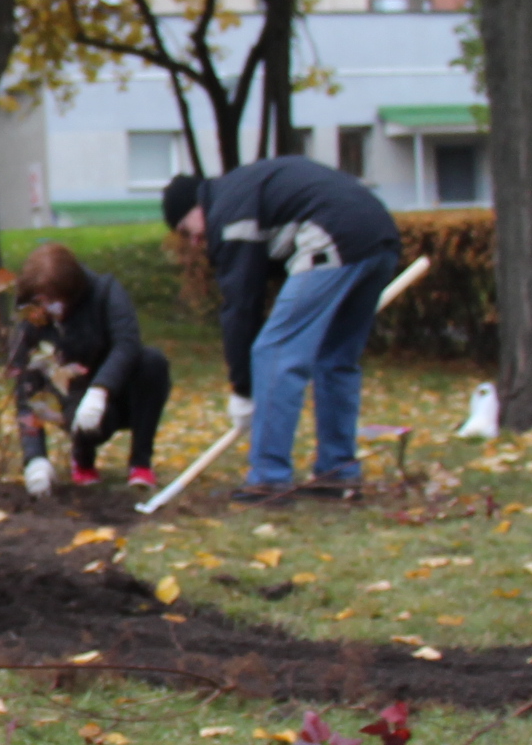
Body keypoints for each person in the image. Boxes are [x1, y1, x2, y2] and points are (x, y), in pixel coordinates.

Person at [163, 153, 400, 505]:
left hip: (333, 234)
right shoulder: (241, 194)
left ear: (196, 207)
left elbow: (241, 308)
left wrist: (243, 390)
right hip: (379, 237)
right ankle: (338, 473)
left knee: (275, 352)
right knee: (335, 359)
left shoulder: (228, 215)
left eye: (187, 230)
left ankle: (269, 479)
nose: (195, 242)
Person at [10, 241, 173, 494]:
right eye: (44, 301)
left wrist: (100, 389)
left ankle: (141, 463)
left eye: (55, 300)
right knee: (89, 424)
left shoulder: (105, 292)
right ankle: (83, 457)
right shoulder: (33, 319)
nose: (51, 307)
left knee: (152, 363)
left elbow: (127, 343)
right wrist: (35, 458)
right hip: (74, 397)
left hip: (120, 389)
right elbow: (27, 385)